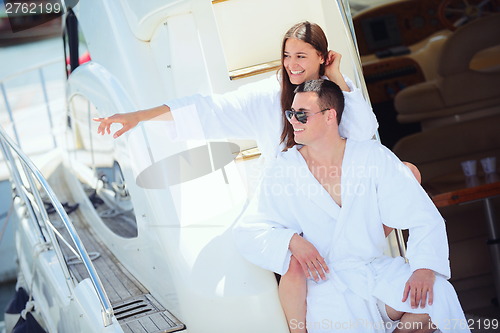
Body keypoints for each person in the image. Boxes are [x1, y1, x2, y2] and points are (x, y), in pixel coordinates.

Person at [94, 22, 379, 332]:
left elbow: (365, 131)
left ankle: (358, 260)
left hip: (331, 201)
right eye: (287, 56)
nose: (292, 65)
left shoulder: (338, 92)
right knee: (295, 266)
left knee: (406, 174)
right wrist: (138, 117)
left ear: (322, 57)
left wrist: (337, 77)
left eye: (301, 56)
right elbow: (209, 108)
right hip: (288, 207)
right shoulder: (270, 95)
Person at [234, 79, 470, 333]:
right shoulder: (283, 170)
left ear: (329, 116)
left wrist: (424, 269)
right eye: (291, 113)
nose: (293, 120)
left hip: (373, 272)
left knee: (438, 296)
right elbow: (249, 230)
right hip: (326, 287)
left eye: (301, 115)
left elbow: (421, 213)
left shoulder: (371, 157)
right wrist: (291, 240)